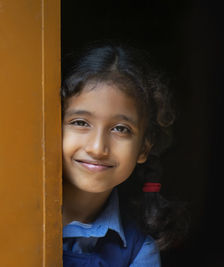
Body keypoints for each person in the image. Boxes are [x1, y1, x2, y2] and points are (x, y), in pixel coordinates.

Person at [61, 42, 187, 266]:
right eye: (80, 122)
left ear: (144, 148)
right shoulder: (8, 211)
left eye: (120, 129)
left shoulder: (138, 252)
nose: (97, 148)